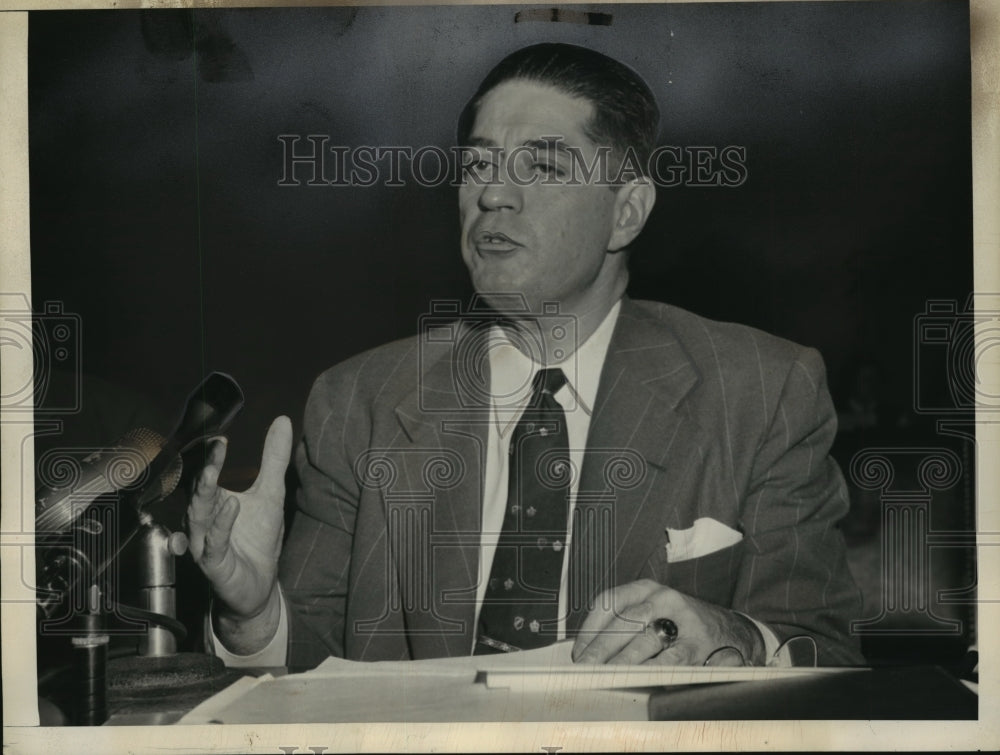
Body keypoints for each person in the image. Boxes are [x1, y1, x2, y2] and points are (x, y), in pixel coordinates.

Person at [187, 43, 863, 669]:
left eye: (541, 165)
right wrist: (253, 613)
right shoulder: (358, 401)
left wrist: (737, 637)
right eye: (478, 164)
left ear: (626, 211)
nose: (492, 194)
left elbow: (826, 651)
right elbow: (312, 674)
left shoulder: (764, 391)